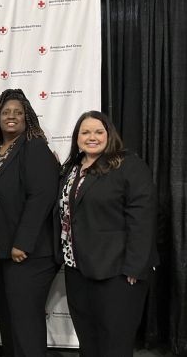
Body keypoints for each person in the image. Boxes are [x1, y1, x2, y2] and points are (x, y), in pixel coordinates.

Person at [58, 111, 158, 357]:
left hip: (117, 272)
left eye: (98, 132)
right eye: (85, 132)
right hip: (77, 269)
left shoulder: (128, 165)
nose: (92, 137)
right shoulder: (72, 168)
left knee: (115, 343)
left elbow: (142, 220)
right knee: (88, 340)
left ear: (109, 135)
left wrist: (135, 267)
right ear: (77, 137)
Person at [0, 89, 60, 357]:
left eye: (18, 112)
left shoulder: (34, 147)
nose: (11, 116)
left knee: (25, 320)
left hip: (27, 253)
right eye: (6, 112)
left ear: (27, 117)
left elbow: (41, 197)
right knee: (8, 316)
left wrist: (21, 243)